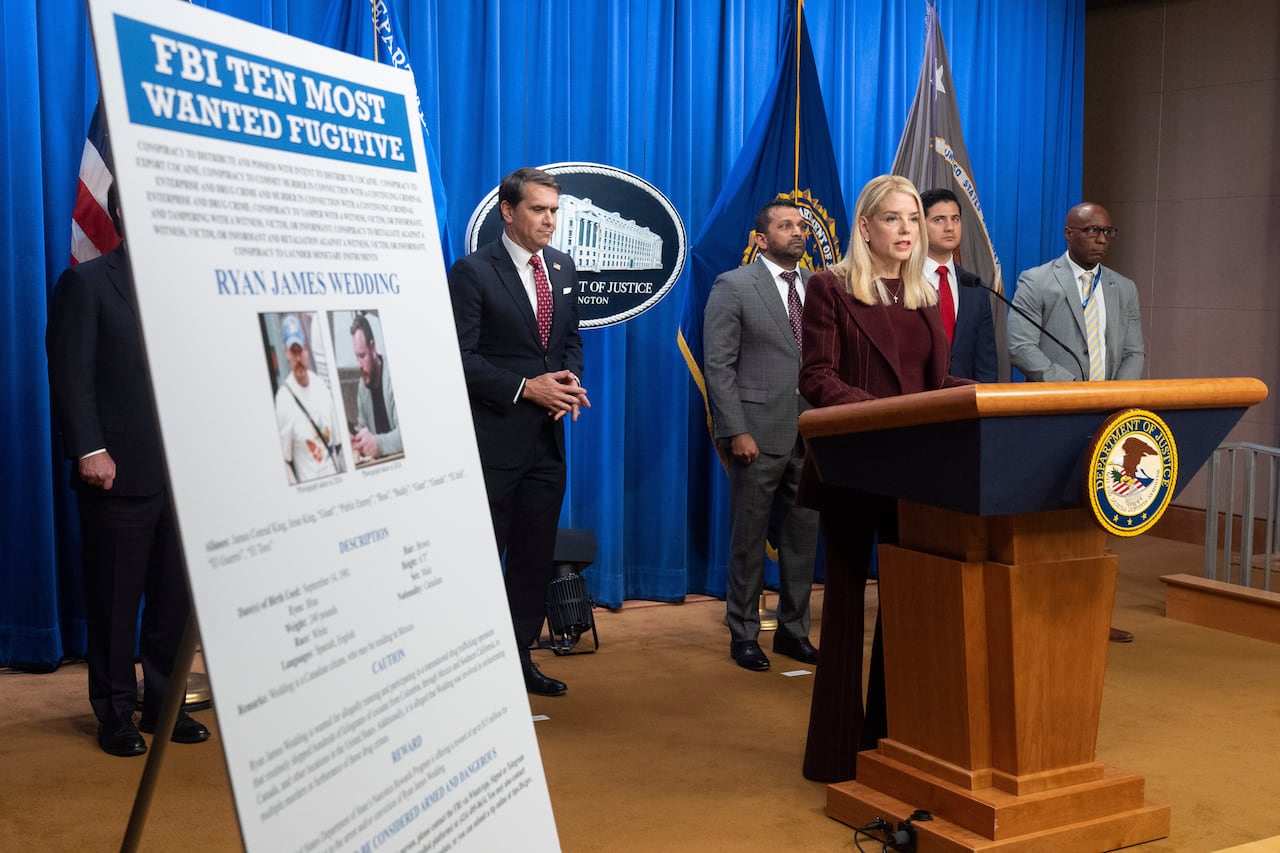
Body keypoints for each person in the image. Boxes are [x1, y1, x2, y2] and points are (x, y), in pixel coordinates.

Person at [797, 175, 972, 782]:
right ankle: (837, 753)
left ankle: (893, 740)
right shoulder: (830, 288)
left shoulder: (926, 295)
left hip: (917, 470)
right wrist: (883, 418)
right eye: (893, 219)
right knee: (846, 605)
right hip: (856, 465)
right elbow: (817, 377)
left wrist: (982, 396)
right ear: (865, 227)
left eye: (913, 220)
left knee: (908, 601)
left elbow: (931, 383)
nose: (907, 230)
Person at [45, 183, 209, 756]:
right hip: (117, 472)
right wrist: (89, 449)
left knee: (174, 601)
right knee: (115, 602)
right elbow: (71, 376)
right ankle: (113, 712)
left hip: (185, 477)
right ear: (118, 211)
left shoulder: (192, 291)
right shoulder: (85, 284)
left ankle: (160, 706)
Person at [448, 167, 590, 697]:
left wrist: (568, 383)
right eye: (538, 209)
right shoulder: (473, 272)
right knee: (483, 556)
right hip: (493, 442)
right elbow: (457, 358)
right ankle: (467, 666)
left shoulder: (563, 266)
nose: (550, 220)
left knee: (533, 557)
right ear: (508, 212)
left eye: (555, 210)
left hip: (548, 443)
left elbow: (569, 340)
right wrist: (527, 388)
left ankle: (518, 657)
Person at [1008, 201, 1145, 643]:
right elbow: (1021, 345)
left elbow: (1133, 352)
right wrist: (1072, 388)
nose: (1101, 239)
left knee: (1098, 515)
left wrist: (1114, 396)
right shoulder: (1037, 280)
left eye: (1107, 232)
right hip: (1055, 412)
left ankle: (1091, 614)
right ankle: (1041, 612)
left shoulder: (1124, 288)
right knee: (1050, 513)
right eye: (1091, 231)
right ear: (1069, 233)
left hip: (1109, 415)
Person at [703, 200, 820, 671]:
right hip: (757, 434)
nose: (797, 232)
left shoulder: (821, 286)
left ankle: (794, 632)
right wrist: (735, 430)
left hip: (812, 433)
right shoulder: (734, 285)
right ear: (760, 237)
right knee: (748, 541)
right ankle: (744, 633)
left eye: (802, 226)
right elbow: (719, 365)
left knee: (802, 540)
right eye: (785, 225)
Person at [919, 188, 998, 382]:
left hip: (965, 402)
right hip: (915, 402)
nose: (950, 227)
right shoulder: (902, 282)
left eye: (955, 219)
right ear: (920, 225)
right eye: (939, 220)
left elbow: (985, 363)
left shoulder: (975, 288)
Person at [274, 313, 341, 484]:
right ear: (286, 353)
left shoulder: (321, 387)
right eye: (293, 352)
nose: (298, 358)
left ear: (306, 348)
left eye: (300, 350)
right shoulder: (284, 400)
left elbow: (338, 445)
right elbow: (284, 460)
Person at [350, 313, 401, 460]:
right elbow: (362, 427)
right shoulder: (362, 386)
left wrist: (377, 444)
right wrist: (356, 441)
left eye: (362, 355)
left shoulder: (392, 377)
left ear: (372, 348)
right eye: (356, 357)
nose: (359, 364)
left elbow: (406, 434)